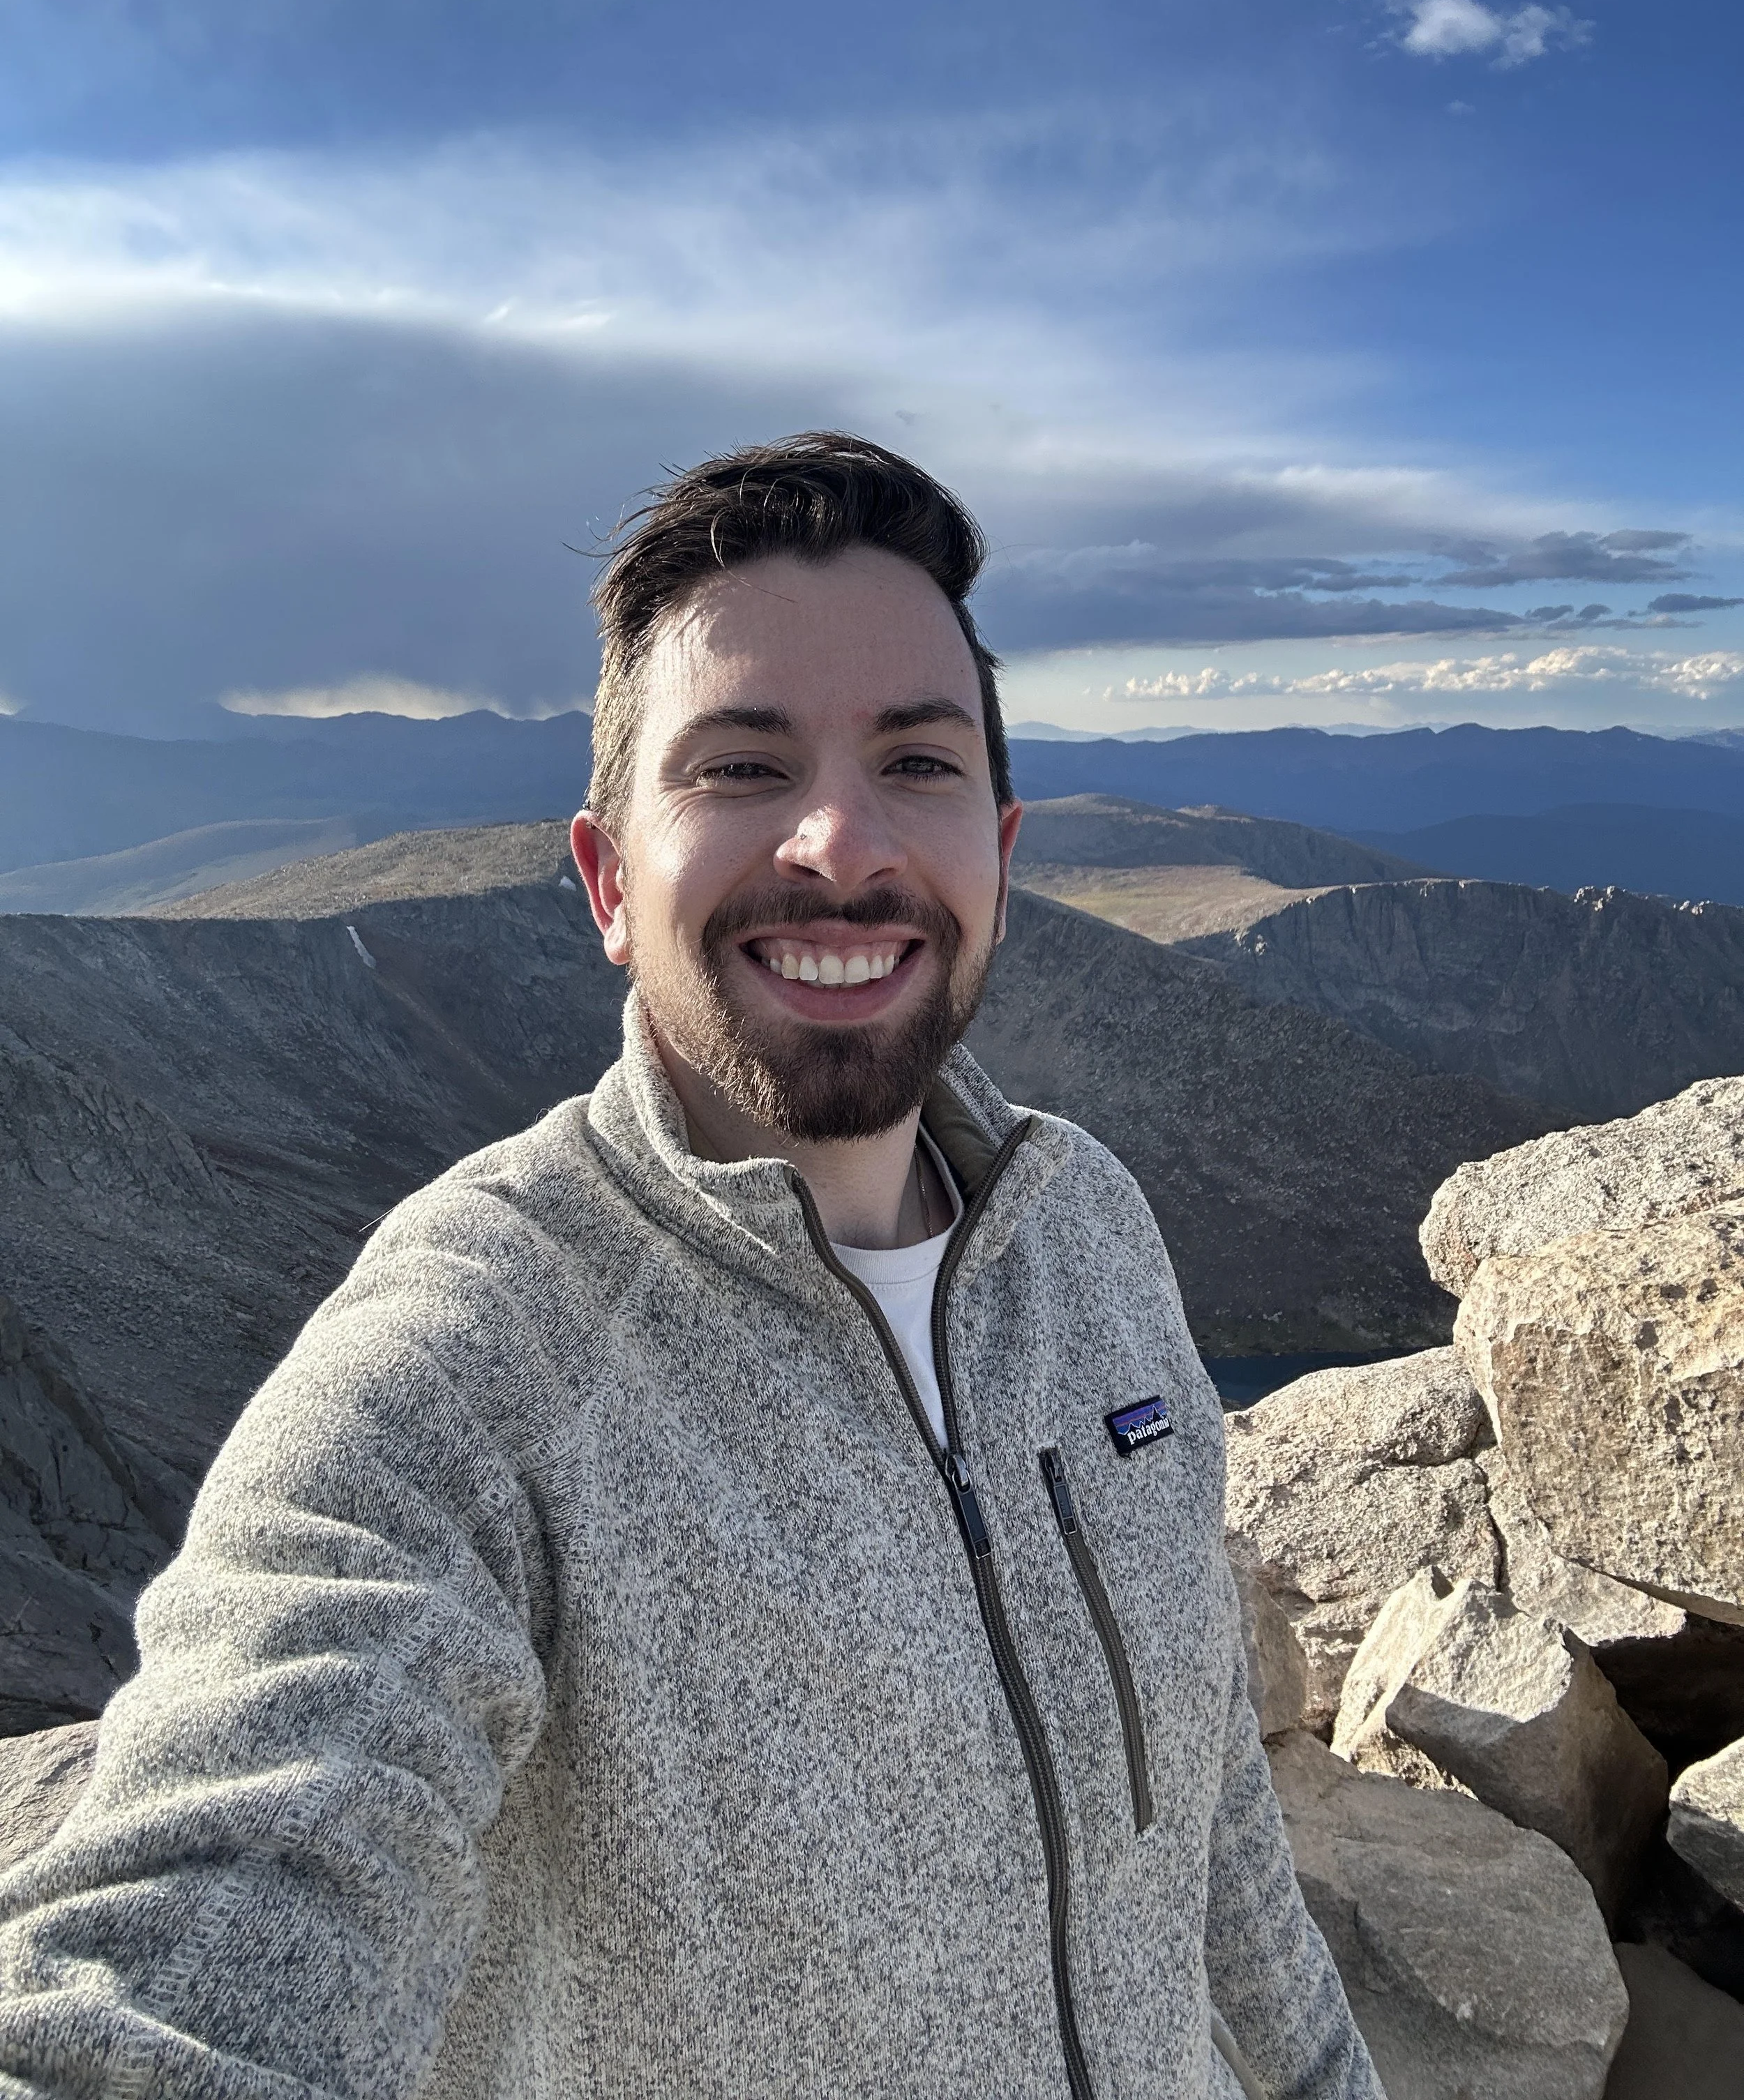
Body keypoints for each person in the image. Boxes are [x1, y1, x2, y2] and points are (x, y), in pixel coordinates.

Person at [0, 433, 1381, 2099]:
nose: (835, 841)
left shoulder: (1086, 1232)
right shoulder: (470, 1360)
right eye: (738, 767)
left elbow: (1207, 1796)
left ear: (1001, 853)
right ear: (601, 880)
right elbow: (179, 1961)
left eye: (916, 763)